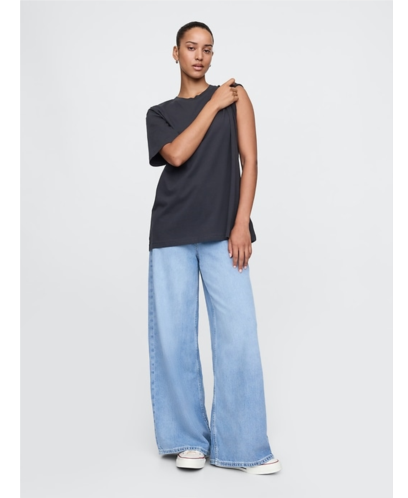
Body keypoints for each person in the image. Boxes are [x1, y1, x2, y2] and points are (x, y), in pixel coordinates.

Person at [145, 21, 281, 475]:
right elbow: (177, 155)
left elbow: (251, 161)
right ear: (176, 53)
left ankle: (243, 447)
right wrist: (211, 105)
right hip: (171, 231)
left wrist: (241, 224)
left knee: (238, 336)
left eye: (207, 49)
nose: (199, 56)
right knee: (175, 338)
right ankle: (187, 439)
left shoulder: (235, 95)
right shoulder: (160, 113)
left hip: (225, 231)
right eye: (191, 47)